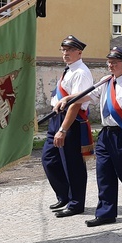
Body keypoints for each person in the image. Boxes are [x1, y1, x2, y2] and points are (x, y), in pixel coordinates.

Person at [56, 47, 122, 227]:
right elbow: (87, 96)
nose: (111, 65)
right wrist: (67, 99)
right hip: (105, 134)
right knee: (103, 173)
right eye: (109, 62)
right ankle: (106, 213)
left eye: (115, 62)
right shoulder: (105, 81)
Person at [43, 36, 94, 218]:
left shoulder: (81, 72)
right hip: (57, 117)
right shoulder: (69, 70)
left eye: (69, 50)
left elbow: (75, 104)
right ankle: (64, 195)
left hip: (71, 121)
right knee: (49, 159)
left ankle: (76, 203)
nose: (65, 53)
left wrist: (63, 129)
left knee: (72, 164)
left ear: (79, 52)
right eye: (63, 50)